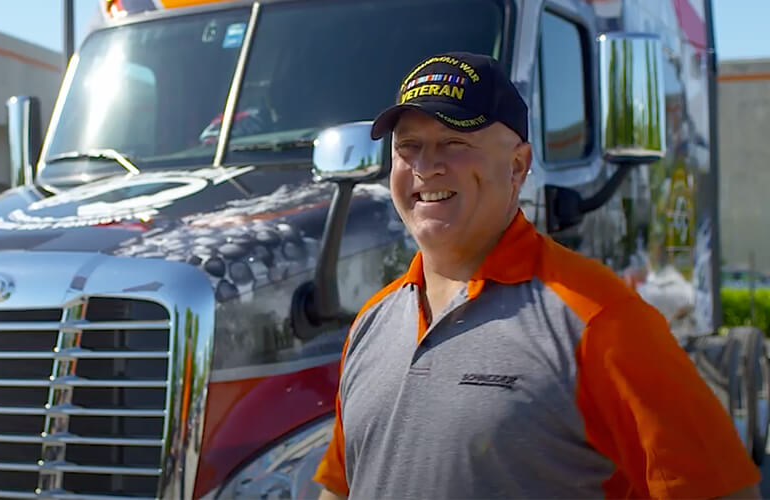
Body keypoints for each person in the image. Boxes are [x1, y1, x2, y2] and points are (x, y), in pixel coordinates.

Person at [312, 52, 761, 499]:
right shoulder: (373, 319)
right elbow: (341, 486)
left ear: (517, 166)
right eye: (408, 146)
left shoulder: (601, 319)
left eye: (454, 142)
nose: (426, 166)